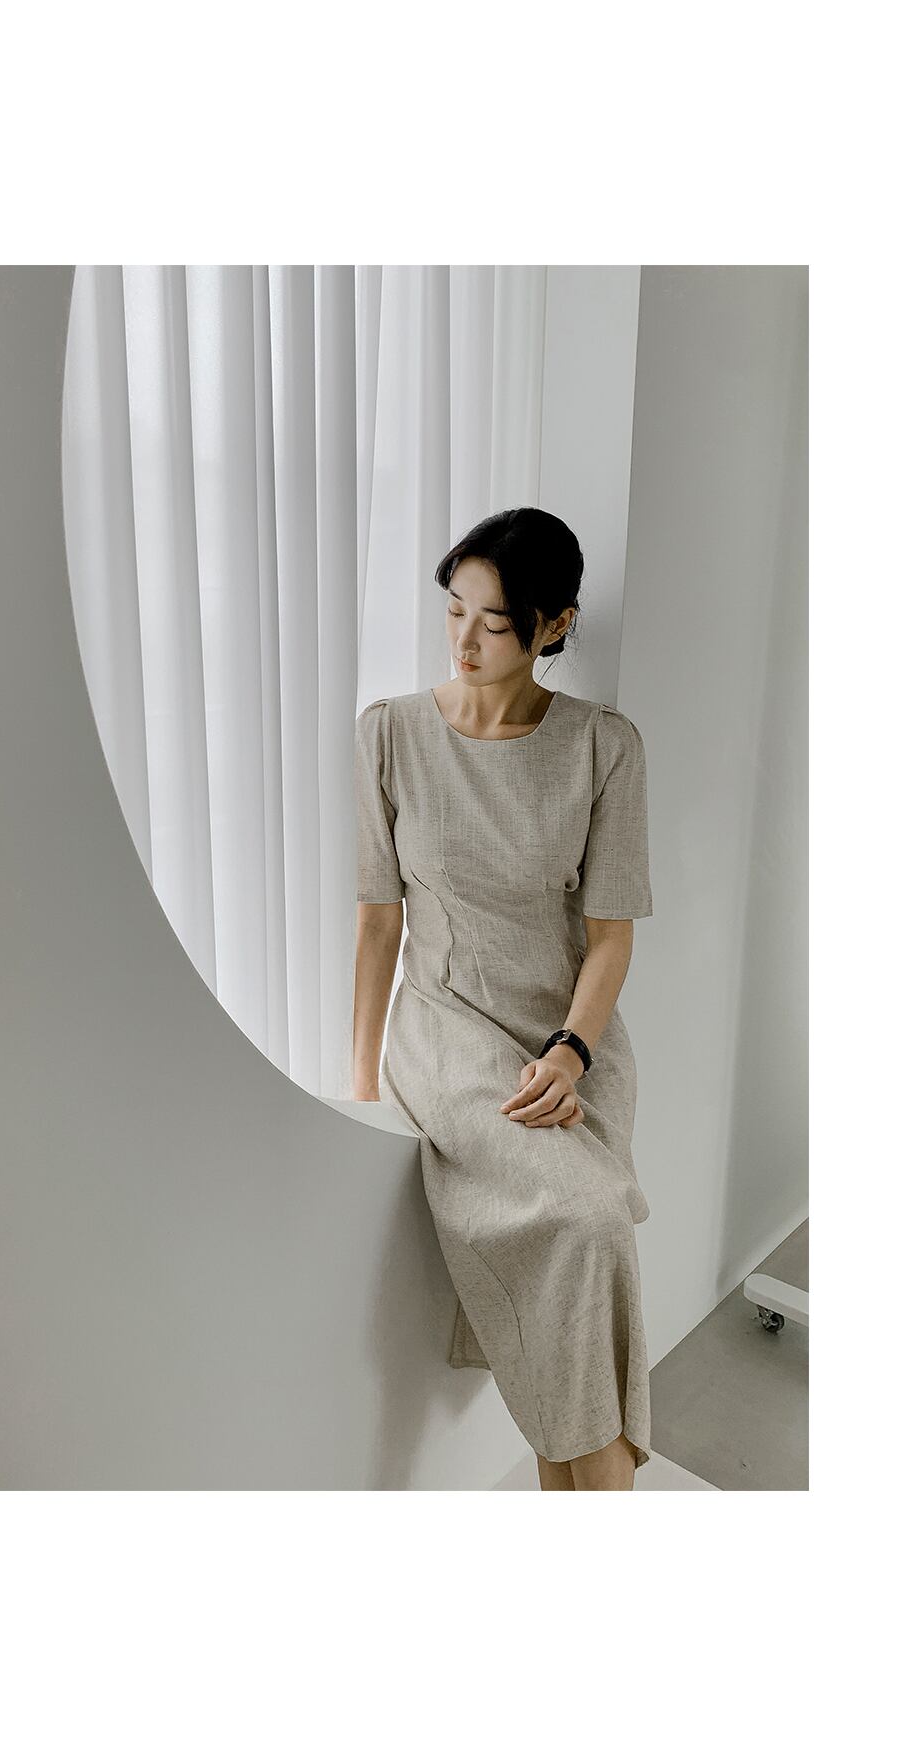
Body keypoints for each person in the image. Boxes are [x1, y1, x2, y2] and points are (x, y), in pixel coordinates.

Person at [352, 506, 654, 1491]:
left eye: (493, 621)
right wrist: (362, 1082)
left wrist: (571, 1049)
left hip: (570, 1039)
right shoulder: (389, 733)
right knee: (593, 1216)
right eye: (454, 611)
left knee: (583, 1243)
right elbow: (378, 925)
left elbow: (610, 938)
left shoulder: (604, 748)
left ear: (553, 625)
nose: (465, 640)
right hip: (446, 1031)